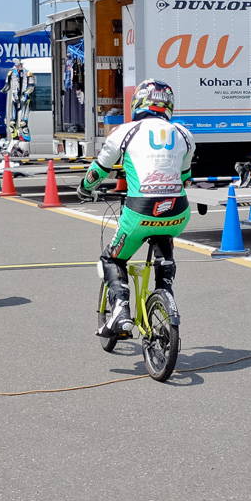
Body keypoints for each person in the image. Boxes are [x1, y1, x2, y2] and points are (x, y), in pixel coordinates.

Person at [75, 78, 194, 337]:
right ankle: (165, 294)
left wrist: (84, 188)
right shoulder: (184, 134)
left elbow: (98, 170)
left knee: (112, 257)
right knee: (165, 240)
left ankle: (120, 308)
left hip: (140, 210)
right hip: (178, 211)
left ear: (138, 102)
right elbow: (185, 176)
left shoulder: (124, 132)